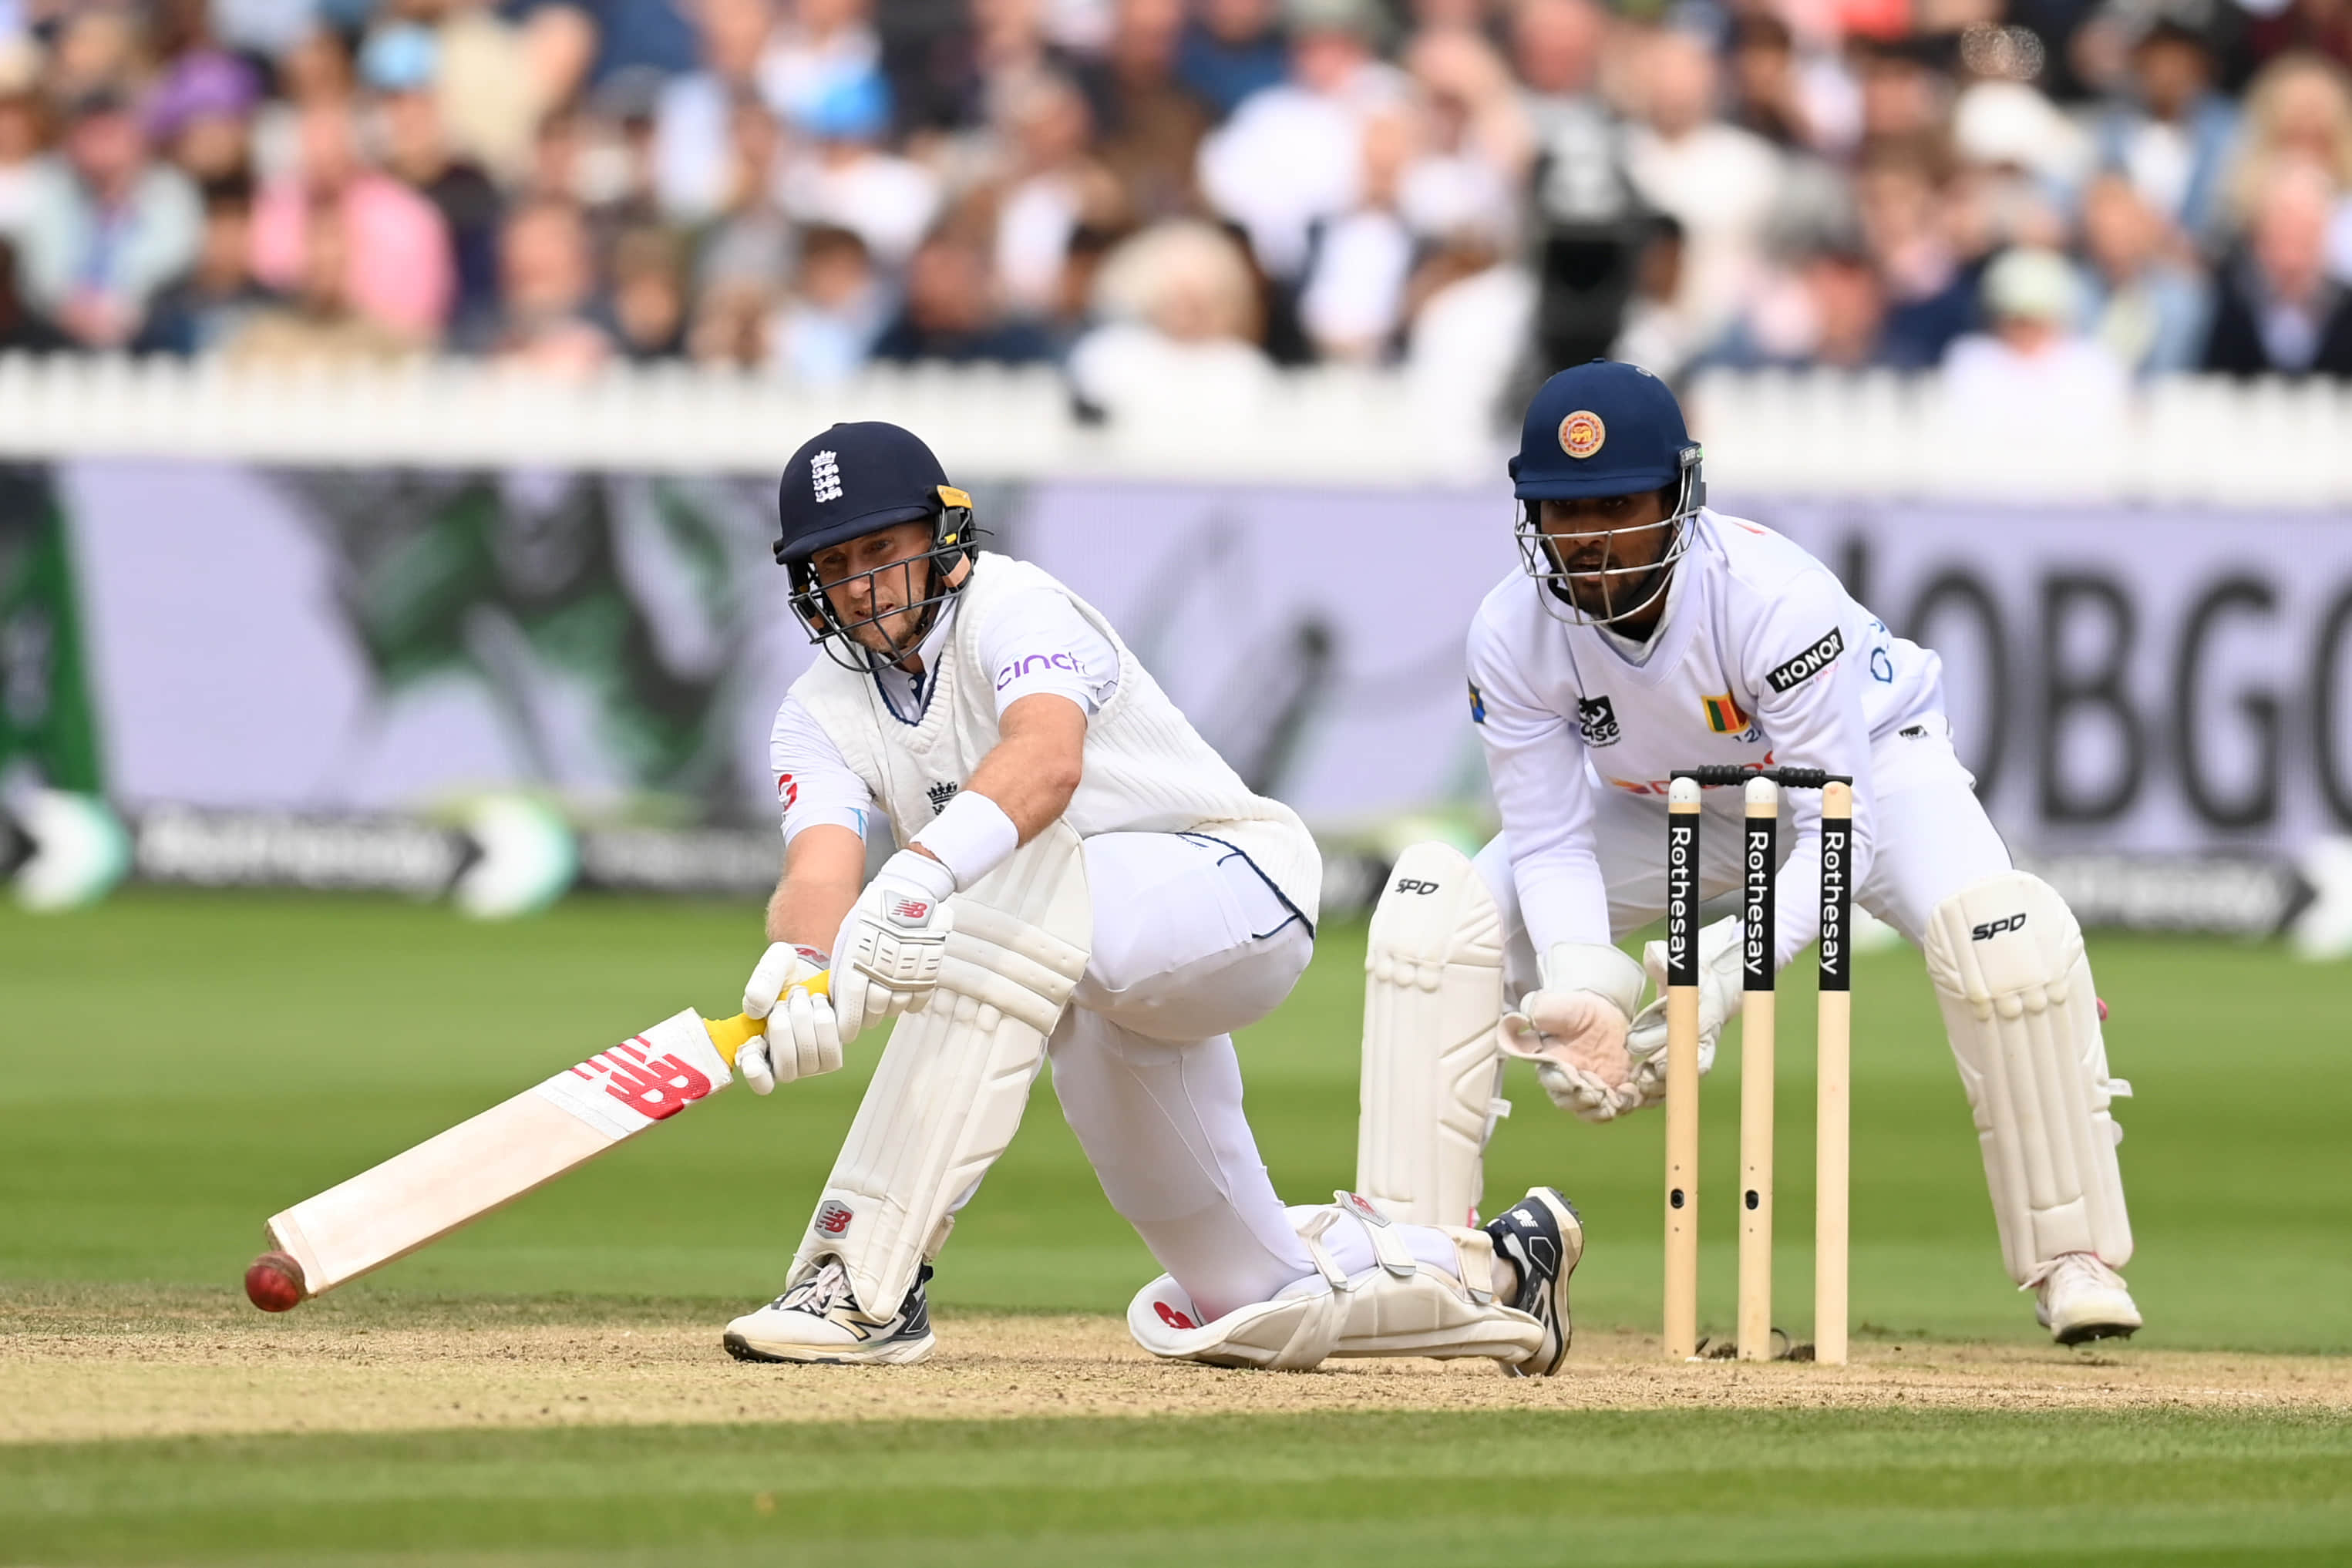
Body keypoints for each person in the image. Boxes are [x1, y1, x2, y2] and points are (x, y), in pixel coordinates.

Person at [720, 421, 1583, 1375]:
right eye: (835, 564)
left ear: (942, 535)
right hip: (1091, 977)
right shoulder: (816, 709)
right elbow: (818, 872)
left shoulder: (1019, 606)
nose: (864, 585)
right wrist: (804, 964)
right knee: (1249, 1298)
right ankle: (1504, 1272)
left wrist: (920, 875)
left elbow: (1044, 764)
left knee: (1002, 876)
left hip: (1231, 886)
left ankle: (865, 1278)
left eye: (881, 549)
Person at [1356, 360, 2142, 1347]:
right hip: (1662, 802)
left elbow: (1832, 830)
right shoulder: (1512, 631)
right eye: (1562, 511)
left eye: (1619, 506)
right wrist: (1582, 992)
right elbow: (1552, 837)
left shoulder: (1771, 596)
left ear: (1678, 497)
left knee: (2006, 940)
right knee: (1441, 915)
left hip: (1876, 780)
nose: (1589, 540)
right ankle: (1418, 1259)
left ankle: (2070, 1258)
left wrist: (1719, 977)